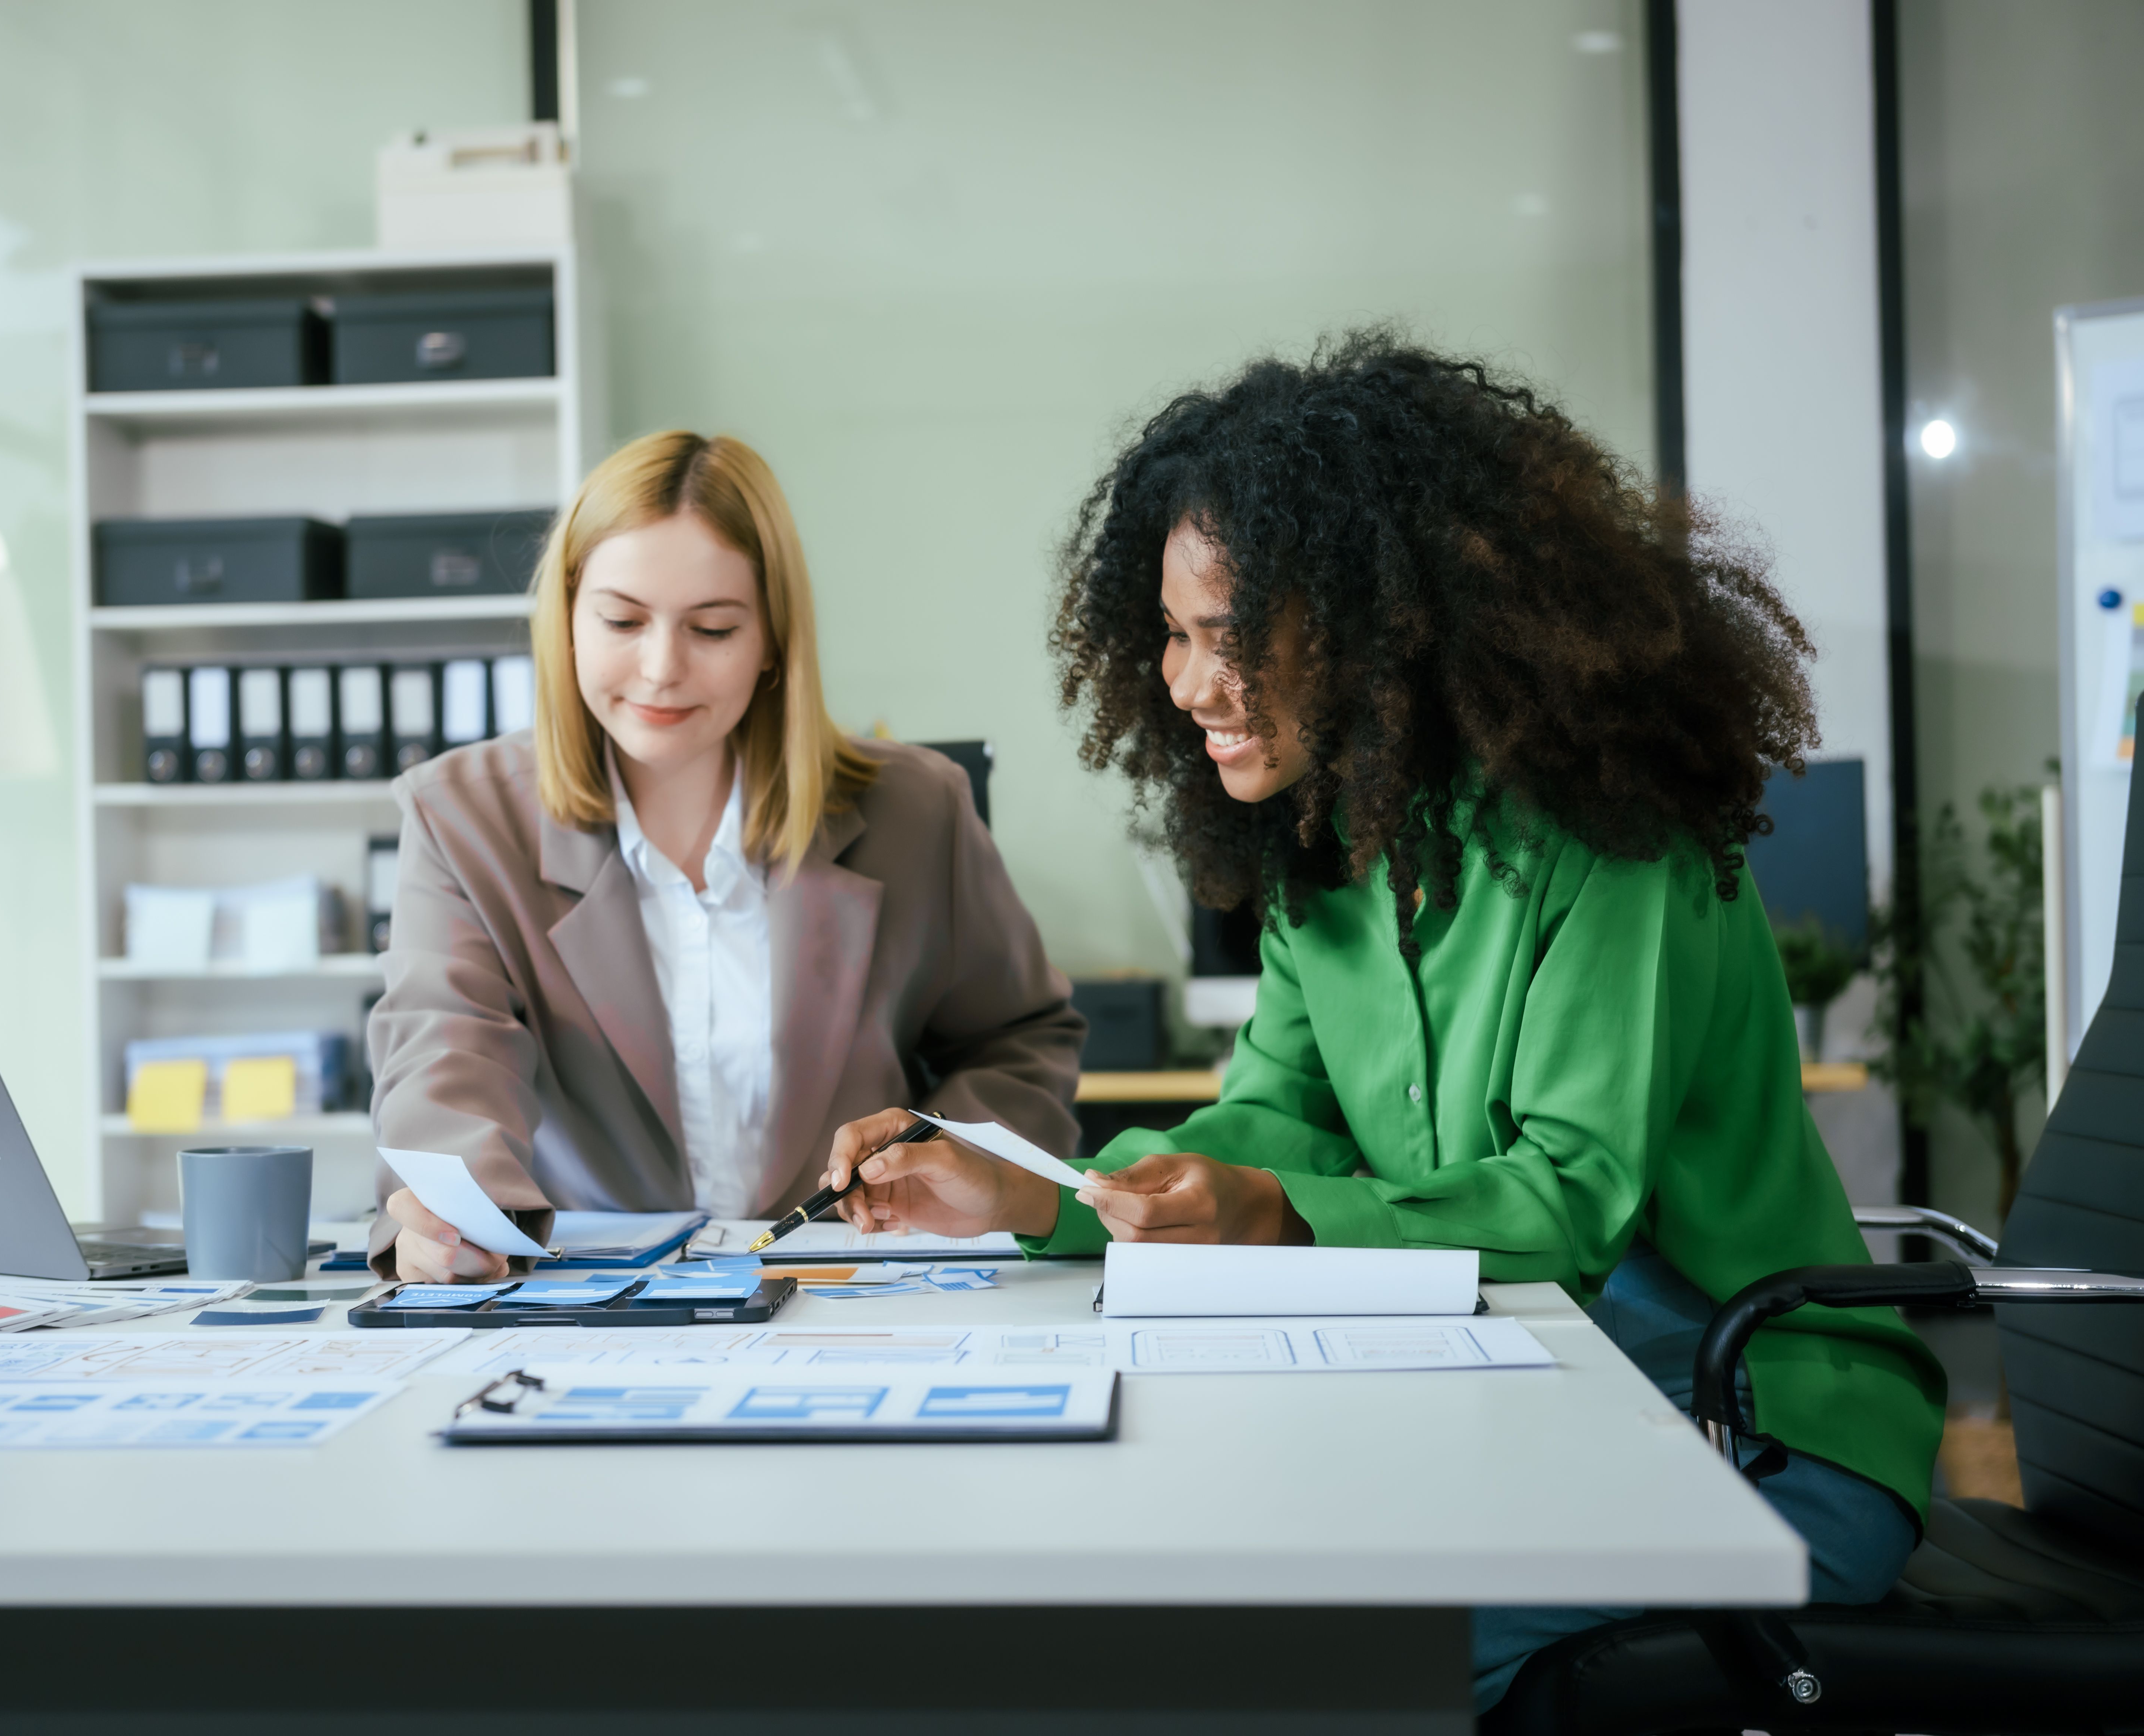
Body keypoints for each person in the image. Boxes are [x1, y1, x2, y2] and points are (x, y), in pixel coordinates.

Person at [817, 334, 1945, 1713]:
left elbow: (1566, 1198)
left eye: (1225, 635)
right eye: (1169, 635)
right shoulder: (1327, 861)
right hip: (1532, 1396)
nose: (1183, 684)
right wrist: (1027, 1188)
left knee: (1296, 1635)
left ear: (1377, 623)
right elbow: (1273, 1119)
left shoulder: (1612, 838)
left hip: (1753, 1430)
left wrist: (1276, 1217)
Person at [365, 429, 1083, 1285]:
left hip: (860, 1277)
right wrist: (460, 1212)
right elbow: (448, 1052)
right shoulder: (462, 815)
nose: (662, 668)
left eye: (712, 627)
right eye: (623, 620)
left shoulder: (916, 807)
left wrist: (952, 1163)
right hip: (586, 1292)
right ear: (565, 619)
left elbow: (1018, 1040)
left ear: (774, 637)